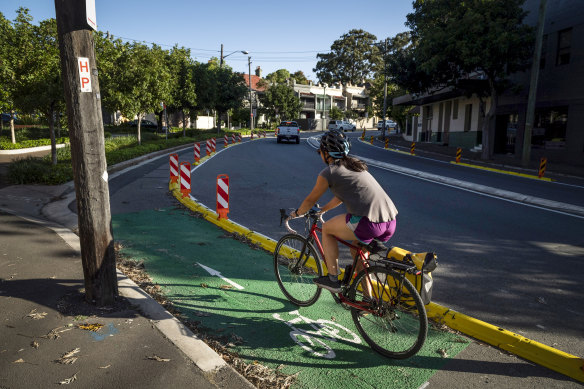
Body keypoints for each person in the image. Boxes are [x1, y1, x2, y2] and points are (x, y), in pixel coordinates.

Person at [289, 130, 398, 293]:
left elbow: (310, 200)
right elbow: (341, 197)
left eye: (320, 151)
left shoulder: (329, 172)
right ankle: (370, 301)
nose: (320, 154)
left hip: (368, 222)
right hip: (390, 221)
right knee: (357, 252)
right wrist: (322, 210)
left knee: (326, 230)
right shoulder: (355, 164)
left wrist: (296, 214)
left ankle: (333, 278)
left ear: (326, 153)